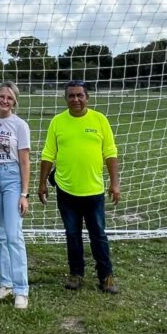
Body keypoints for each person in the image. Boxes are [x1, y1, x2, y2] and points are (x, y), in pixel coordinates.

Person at [38, 79, 120, 294]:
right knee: (72, 234)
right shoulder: (57, 122)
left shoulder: (99, 120)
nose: (75, 99)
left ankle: (106, 276)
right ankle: (76, 274)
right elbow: (48, 154)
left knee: (98, 235)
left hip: (94, 191)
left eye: (79, 95)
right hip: (66, 191)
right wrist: (42, 184)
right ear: (65, 99)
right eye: (71, 95)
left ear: (87, 97)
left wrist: (115, 183)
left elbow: (110, 152)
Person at [0, 81, 31, 309]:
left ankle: (21, 289)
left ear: (14, 101)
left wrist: (24, 193)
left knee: (13, 235)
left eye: (9, 98)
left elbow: (24, 160)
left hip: (11, 178)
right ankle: (5, 283)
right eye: (1, 96)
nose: (5, 101)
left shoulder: (19, 125)